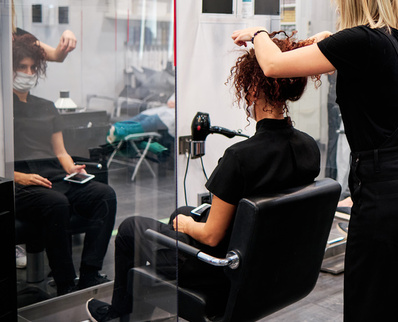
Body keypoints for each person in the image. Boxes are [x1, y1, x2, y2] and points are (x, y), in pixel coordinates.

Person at [231, 0, 398, 322]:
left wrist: (259, 33)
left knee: (370, 307)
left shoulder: (358, 41)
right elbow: (368, 59)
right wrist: (330, 39)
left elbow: (275, 66)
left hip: (387, 195)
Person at [86, 32, 321, 322]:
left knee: (131, 229)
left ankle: (118, 315)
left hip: (220, 267)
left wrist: (186, 225)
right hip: (269, 264)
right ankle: (138, 304)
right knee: (182, 212)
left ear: (251, 89)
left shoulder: (240, 157)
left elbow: (211, 235)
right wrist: (185, 220)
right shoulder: (309, 147)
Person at [12, 34, 117, 295]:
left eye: (32, 68)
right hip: (22, 183)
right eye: (22, 67)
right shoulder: (3, 108)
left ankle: (90, 273)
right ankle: (65, 282)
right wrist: (18, 177)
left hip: (55, 178)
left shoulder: (46, 107)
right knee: (57, 203)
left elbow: (61, 152)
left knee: (104, 195)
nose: (28, 73)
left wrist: (71, 169)